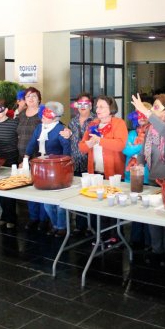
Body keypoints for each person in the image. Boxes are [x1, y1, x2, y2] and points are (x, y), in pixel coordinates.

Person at [132, 93, 165, 268]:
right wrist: (138, 164)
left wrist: (145, 112)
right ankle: (156, 250)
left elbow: (164, 130)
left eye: (156, 107)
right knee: (153, 216)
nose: (152, 110)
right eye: (152, 106)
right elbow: (141, 152)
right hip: (154, 178)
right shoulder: (151, 129)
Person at [79, 95, 128, 244]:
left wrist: (100, 140)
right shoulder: (93, 124)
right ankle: (99, 235)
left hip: (113, 172)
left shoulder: (119, 123)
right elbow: (81, 147)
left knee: (112, 206)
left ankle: (115, 236)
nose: (97, 109)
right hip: (95, 172)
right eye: (97, 106)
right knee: (96, 204)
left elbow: (120, 145)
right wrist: (89, 144)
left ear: (111, 109)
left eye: (102, 107)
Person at [24, 101, 71, 237]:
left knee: (57, 200)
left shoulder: (61, 130)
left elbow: (66, 151)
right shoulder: (39, 128)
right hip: (40, 165)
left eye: (47, 113)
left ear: (56, 116)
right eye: (43, 112)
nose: (43, 116)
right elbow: (33, 142)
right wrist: (26, 157)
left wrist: (64, 166)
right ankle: (50, 223)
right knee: (43, 199)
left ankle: (60, 226)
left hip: (57, 167)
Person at [61, 93, 95, 235]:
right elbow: (70, 142)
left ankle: (92, 226)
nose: (82, 107)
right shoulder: (72, 122)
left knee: (92, 195)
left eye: (86, 103)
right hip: (76, 163)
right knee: (78, 195)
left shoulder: (96, 121)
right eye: (79, 104)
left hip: (91, 163)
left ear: (91, 105)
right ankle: (80, 225)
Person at [16, 87, 47, 231]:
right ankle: (33, 217)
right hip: (23, 157)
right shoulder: (21, 114)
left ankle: (43, 219)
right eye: (28, 96)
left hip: (39, 156)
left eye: (34, 96)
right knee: (29, 188)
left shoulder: (43, 113)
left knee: (41, 188)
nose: (31, 98)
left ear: (39, 99)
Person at [122, 101, 152, 250]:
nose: (141, 117)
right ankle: (135, 239)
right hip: (132, 176)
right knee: (135, 209)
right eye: (138, 114)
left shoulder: (154, 132)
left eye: (144, 114)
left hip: (148, 176)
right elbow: (126, 151)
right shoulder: (132, 133)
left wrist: (137, 148)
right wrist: (143, 145)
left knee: (147, 210)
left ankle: (148, 241)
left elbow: (151, 152)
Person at [0, 99, 19, 229]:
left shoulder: (14, 123)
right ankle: (4, 216)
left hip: (11, 160)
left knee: (9, 190)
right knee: (0, 189)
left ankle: (11, 218)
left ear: (6, 110)